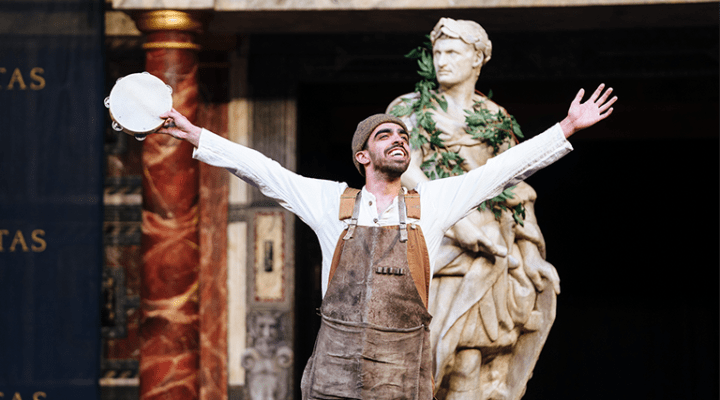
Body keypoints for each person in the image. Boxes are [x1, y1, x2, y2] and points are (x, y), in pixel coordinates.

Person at [156, 80, 616, 399]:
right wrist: (196, 133)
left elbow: (502, 171)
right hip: (333, 378)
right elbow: (262, 169)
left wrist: (567, 127)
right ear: (363, 155)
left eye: (403, 135)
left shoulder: (431, 202)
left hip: (402, 381)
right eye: (385, 135)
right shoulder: (330, 201)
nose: (398, 139)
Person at [386, 18, 572, 399]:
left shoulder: (495, 118)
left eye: (452, 52)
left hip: (490, 246)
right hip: (437, 242)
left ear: (477, 59)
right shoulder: (408, 109)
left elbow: (515, 186)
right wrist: (455, 217)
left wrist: (532, 252)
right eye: (437, 52)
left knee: (475, 357)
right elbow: (401, 166)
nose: (442, 60)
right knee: (429, 354)